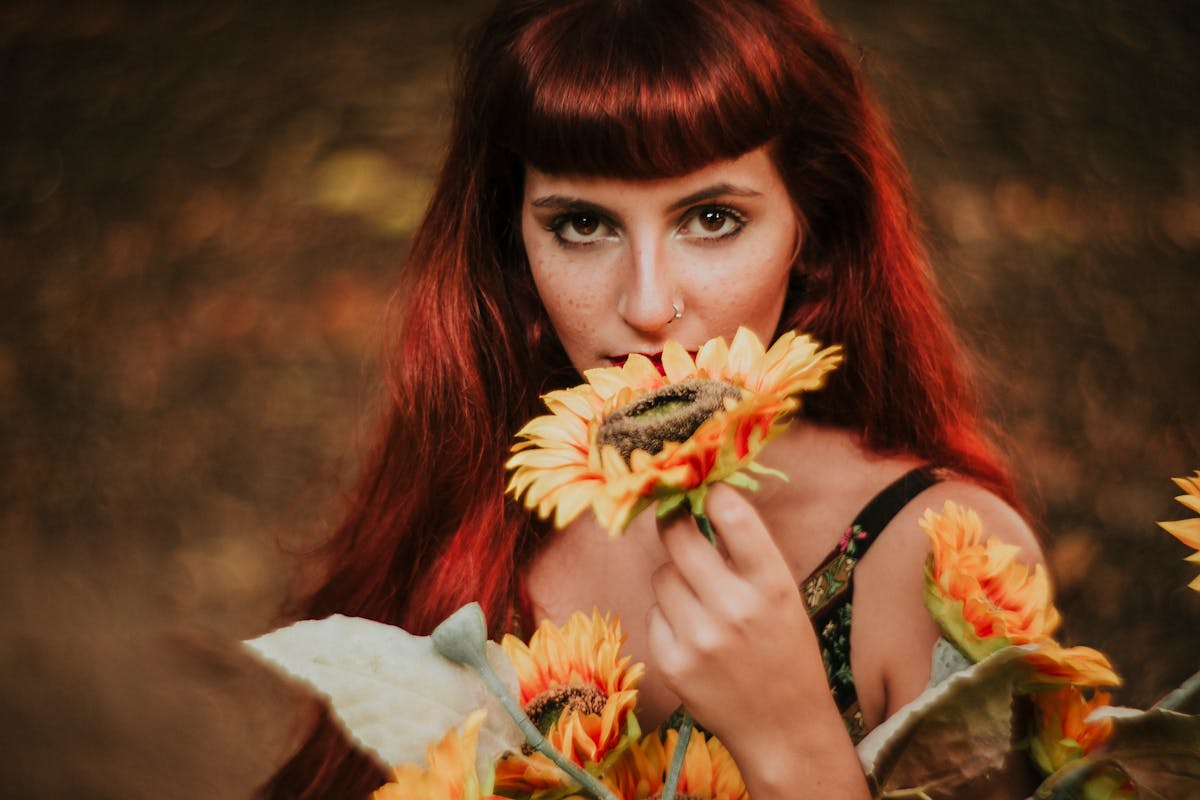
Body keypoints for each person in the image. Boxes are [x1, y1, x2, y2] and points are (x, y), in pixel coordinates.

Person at [265, 0, 1043, 797]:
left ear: (814, 226)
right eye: (581, 224)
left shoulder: (948, 564)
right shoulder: (466, 510)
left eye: (712, 218)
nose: (645, 305)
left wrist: (793, 740)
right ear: (513, 249)